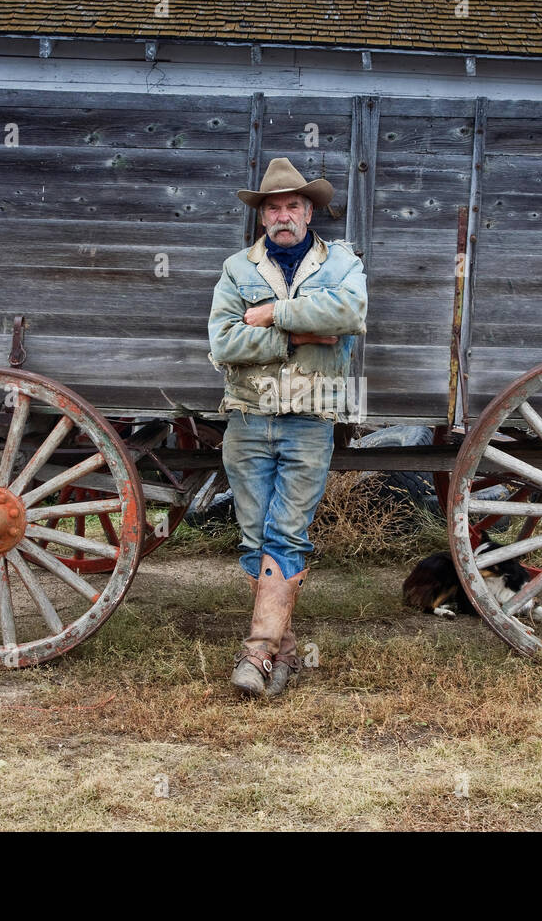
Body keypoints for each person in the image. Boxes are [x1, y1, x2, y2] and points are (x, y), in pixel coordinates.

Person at [207, 157, 368, 697]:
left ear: (308, 212)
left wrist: (271, 314)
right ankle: (285, 653)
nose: (283, 215)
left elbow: (348, 315)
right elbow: (224, 343)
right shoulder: (238, 268)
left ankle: (255, 655)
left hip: (308, 421)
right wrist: (299, 332)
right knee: (254, 537)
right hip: (248, 419)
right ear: (262, 217)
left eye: (293, 205)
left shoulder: (339, 263)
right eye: (273, 207)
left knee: (287, 534)